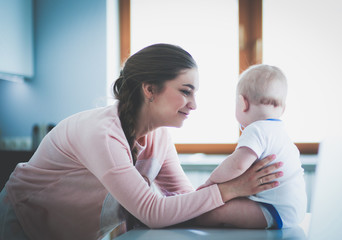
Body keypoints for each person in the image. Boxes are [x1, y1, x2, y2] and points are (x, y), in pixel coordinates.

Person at [0, 44, 282, 240]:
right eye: (186, 91)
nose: (194, 104)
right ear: (150, 89)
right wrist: (231, 188)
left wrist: (249, 203)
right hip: (19, 226)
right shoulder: (103, 134)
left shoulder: (159, 137)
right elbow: (153, 212)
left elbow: (183, 199)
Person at [195, 64, 307, 229]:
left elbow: (238, 164)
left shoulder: (256, 129)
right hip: (292, 210)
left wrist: (211, 182)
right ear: (283, 109)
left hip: (273, 210)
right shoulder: (280, 132)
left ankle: (185, 221)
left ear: (242, 103)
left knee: (220, 210)